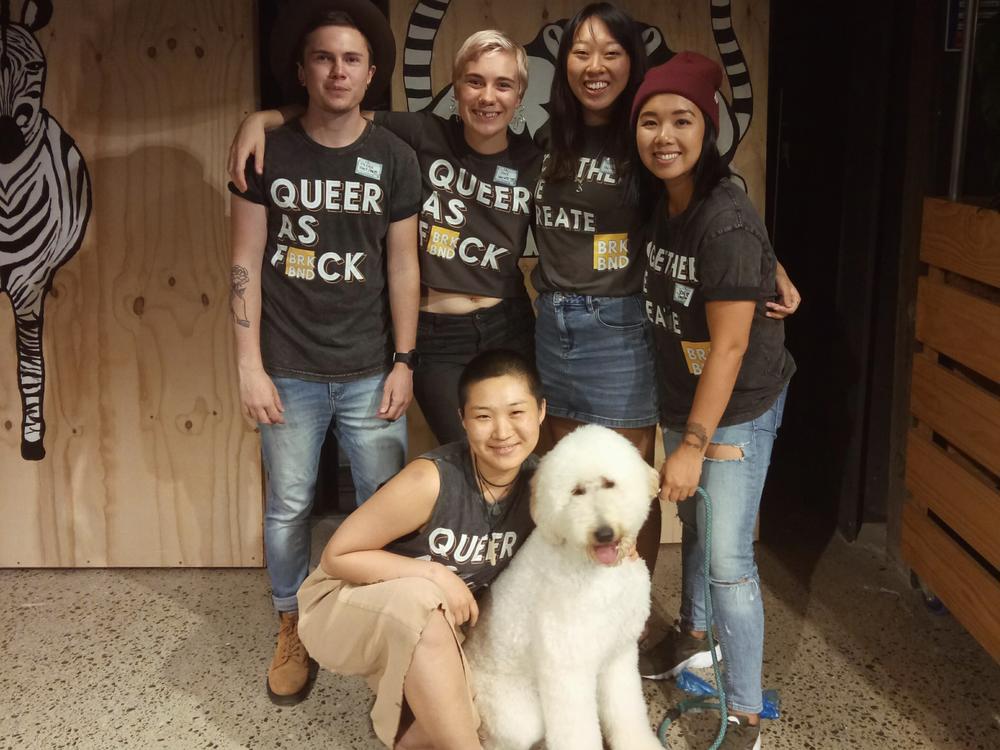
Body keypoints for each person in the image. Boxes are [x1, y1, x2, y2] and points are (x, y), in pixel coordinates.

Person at [531, 2, 799, 577]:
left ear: (633, 60)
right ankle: (581, 604)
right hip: (552, 323)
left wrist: (769, 264)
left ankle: (631, 608)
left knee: (626, 481)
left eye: (611, 52)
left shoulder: (645, 135)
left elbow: (709, 198)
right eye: (581, 52)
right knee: (569, 476)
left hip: (619, 325)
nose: (595, 66)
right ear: (564, 62)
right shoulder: (548, 137)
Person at [227, 0, 421, 705]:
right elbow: (244, 262)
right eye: (323, 58)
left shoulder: (395, 157)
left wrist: (405, 361)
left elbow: (403, 264)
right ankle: (291, 622)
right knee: (289, 507)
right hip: (287, 369)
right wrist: (248, 366)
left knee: (384, 504)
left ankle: (381, 622)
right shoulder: (266, 152)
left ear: (371, 74)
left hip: (372, 369)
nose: (338, 71)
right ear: (303, 70)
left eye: (351, 59)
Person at [229, 31, 541, 446]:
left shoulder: (533, 160)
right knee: (467, 449)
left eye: (503, 84)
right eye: (474, 81)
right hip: (437, 333)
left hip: (509, 326)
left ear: (519, 96)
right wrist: (262, 119)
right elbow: (337, 109)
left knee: (513, 449)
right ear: (456, 88)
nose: (488, 96)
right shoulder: (423, 133)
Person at [631, 52, 796, 749]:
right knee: (697, 528)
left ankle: (747, 714)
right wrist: (773, 265)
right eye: (650, 121)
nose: (664, 135)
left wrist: (695, 444)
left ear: (709, 129)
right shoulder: (660, 196)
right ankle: (693, 637)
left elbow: (729, 348)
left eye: (682, 120)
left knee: (728, 561)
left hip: (736, 407)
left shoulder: (724, 221)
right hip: (685, 391)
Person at [296, 349, 545, 749]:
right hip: (343, 601)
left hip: (438, 622)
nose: (502, 431)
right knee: (424, 604)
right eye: (483, 416)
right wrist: (434, 574)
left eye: (517, 412)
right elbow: (337, 556)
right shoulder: (430, 480)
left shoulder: (543, 485)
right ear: (463, 420)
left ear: (541, 412)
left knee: (465, 718)